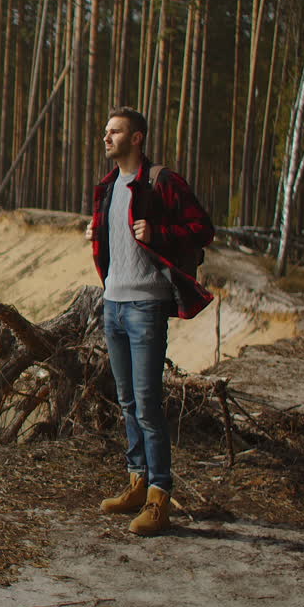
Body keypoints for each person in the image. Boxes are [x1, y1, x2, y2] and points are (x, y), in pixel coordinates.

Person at [83, 106, 214, 536]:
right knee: (125, 400)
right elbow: (114, 241)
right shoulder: (107, 187)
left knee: (148, 403)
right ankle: (137, 481)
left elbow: (202, 228)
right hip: (114, 304)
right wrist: (95, 233)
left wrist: (159, 232)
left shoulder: (162, 181)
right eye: (106, 131)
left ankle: (160, 496)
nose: (106, 138)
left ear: (137, 138)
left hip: (146, 307)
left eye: (115, 131)